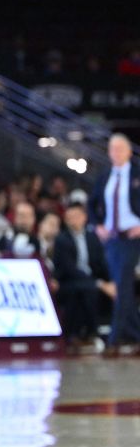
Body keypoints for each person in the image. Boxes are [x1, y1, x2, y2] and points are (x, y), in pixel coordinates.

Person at [89, 133, 140, 355]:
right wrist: (97, 225)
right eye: (112, 149)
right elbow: (92, 204)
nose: (116, 153)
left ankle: (114, 340)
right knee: (124, 288)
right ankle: (136, 335)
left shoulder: (137, 174)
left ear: (129, 151)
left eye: (120, 149)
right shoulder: (105, 175)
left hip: (132, 236)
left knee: (122, 285)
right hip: (112, 238)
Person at [54, 204, 113, 354]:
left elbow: (101, 263)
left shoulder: (92, 237)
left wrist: (112, 281)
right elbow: (70, 270)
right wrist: (99, 283)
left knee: (116, 288)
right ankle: (92, 332)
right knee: (87, 289)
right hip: (68, 282)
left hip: (91, 280)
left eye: (76, 216)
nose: (73, 220)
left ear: (84, 217)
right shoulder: (62, 240)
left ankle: (118, 332)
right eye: (69, 218)